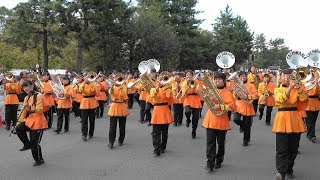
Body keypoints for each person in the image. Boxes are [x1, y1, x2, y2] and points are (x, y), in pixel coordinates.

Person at [273, 69, 308, 180]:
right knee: (281, 148)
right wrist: (290, 87)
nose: (287, 78)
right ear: (281, 77)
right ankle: (281, 172)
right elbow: (281, 100)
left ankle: (289, 166)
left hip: (295, 118)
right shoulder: (277, 89)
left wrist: (298, 88)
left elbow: (304, 99)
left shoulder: (298, 88)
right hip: (282, 118)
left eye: (289, 76)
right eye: (284, 76)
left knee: (293, 148)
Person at [202, 72, 236, 172]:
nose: (217, 81)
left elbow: (233, 107)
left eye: (219, 79)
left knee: (220, 143)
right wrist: (208, 99)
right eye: (215, 79)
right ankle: (210, 163)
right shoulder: (211, 91)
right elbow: (206, 105)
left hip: (222, 120)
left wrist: (220, 106)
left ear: (224, 81)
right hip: (211, 119)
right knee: (210, 143)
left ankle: (219, 160)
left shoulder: (228, 93)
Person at [15, 80, 48, 166]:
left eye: (27, 86)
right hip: (30, 120)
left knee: (35, 143)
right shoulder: (27, 97)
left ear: (32, 86)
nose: (25, 88)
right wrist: (18, 123)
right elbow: (23, 112)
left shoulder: (39, 95)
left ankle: (39, 160)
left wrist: (29, 108)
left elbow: (40, 110)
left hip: (39, 122)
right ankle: (26, 144)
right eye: (24, 87)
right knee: (18, 128)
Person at [233, 71, 258, 146]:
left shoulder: (251, 85)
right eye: (240, 76)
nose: (242, 78)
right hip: (239, 104)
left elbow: (256, 95)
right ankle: (241, 125)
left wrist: (247, 96)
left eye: (243, 76)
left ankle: (246, 139)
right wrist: (236, 94)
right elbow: (234, 95)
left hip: (247, 105)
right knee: (236, 119)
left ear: (246, 76)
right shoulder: (237, 85)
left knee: (247, 125)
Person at [150, 80, 173, 156]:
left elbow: (168, 97)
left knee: (164, 131)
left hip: (165, 110)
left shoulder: (168, 89)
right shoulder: (153, 89)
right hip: (157, 110)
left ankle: (163, 147)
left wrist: (165, 87)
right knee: (156, 132)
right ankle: (157, 149)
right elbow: (153, 95)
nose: (162, 83)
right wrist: (158, 88)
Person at [107, 74, 129, 148]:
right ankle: (111, 142)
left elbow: (123, 94)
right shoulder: (112, 87)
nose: (117, 81)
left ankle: (121, 140)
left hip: (122, 106)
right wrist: (113, 85)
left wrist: (122, 85)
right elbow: (110, 92)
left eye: (118, 79)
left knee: (122, 126)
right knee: (112, 126)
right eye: (115, 79)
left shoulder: (124, 87)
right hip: (114, 106)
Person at [181, 71, 202, 139]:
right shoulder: (184, 83)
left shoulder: (197, 82)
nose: (188, 76)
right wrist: (187, 87)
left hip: (196, 99)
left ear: (192, 75)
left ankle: (194, 131)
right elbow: (184, 93)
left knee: (196, 118)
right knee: (187, 112)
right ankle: (188, 119)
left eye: (189, 75)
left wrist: (195, 86)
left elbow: (199, 92)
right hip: (188, 99)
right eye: (187, 75)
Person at [79, 74, 98, 141]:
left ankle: (91, 133)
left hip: (92, 102)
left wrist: (93, 84)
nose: (87, 79)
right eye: (86, 78)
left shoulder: (93, 84)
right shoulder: (82, 84)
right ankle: (84, 134)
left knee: (92, 120)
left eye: (88, 78)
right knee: (84, 120)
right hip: (84, 102)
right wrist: (84, 83)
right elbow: (80, 90)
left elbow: (92, 92)